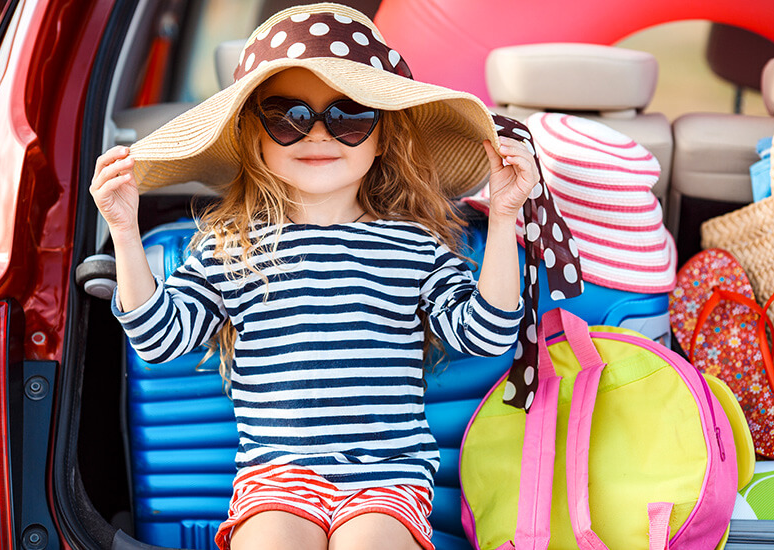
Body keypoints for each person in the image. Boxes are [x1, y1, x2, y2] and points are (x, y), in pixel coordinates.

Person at [90, 4, 539, 549]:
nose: (319, 135)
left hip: (388, 480)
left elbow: (487, 335)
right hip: (273, 481)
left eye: (350, 117)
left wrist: (506, 215)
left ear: (381, 138)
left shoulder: (412, 244)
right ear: (255, 136)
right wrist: (123, 228)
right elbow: (161, 340)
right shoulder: (231, 244)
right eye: (289, 117)